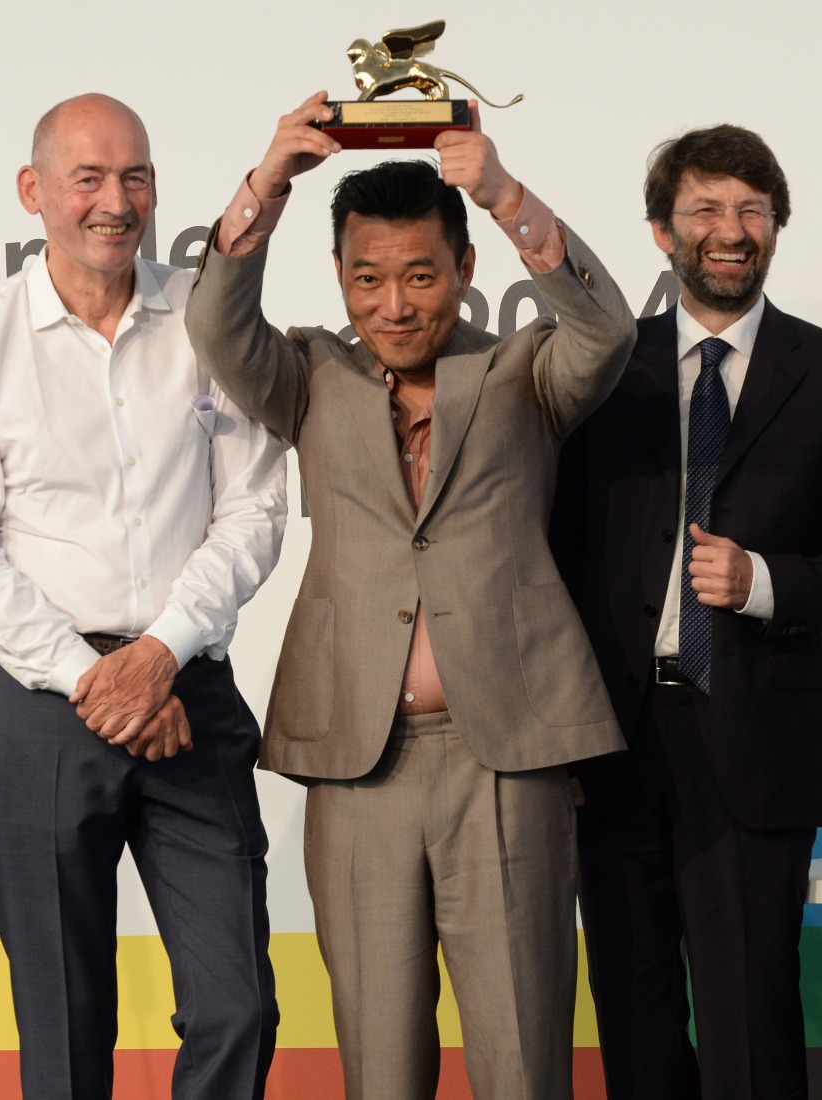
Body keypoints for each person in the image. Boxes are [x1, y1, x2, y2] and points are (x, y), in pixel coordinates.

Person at [183, 92, 636, 1100]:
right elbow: (215, 317)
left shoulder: (525, 371)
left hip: (507, 756)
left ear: (466, 271)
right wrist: (267, 183)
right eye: (369, 278)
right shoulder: (307, 373)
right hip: (358, 761)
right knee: (379, 1063)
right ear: (340, 278)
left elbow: (605, 327)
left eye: (421, 275)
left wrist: (508, 195)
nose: (395, 304)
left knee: (524, 1056)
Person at [0, 93, 287, 1100]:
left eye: (134, 176)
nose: (115, 201)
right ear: (34, 192)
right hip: (42, 707)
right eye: (88, 177)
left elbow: (254, 513)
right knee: (66, 1017)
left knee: (239, 1002)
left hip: (189, 696)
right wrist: (99, 679)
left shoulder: (208, 320)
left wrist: (160, 654)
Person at [552, 124, 822, 1098]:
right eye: (706, 208)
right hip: (612, 743)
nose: (731, 230)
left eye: (752, 209)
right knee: (634, 1012)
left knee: (753, 1018)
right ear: (663, 230)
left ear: (778, 226)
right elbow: (551, 561)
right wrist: (560, 735)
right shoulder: (601, 373)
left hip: (758, 742)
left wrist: (765, 582)